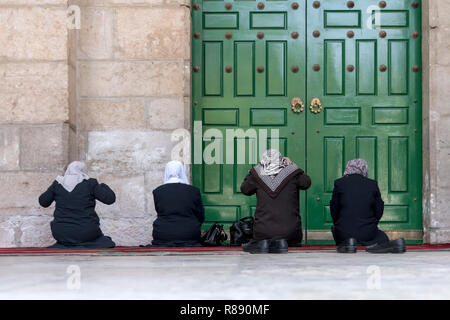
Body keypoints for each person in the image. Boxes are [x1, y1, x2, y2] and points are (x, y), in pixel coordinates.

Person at [240, 149, 311, 254]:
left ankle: (263, 243)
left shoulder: (257, 175)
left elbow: (245, 189)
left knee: (261, 239)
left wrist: (255, 170)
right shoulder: (293, 173)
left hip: (263, 234)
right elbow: (306, 183)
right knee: (291, 238)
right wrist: (291, 165)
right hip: (291, 234)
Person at [330, 158, 406, 254]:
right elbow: (379, 210)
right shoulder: (372, 184)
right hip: (367, 233)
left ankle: (349, 244)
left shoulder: (339, 183)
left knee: (338, 232)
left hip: (344, 232)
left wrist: (340, 224)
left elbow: (334, 210)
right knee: (383, 237)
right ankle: (374, 246)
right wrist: (371, 223)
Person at [39, 161, 116, 249]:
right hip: (86, 232)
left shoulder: (57, 184)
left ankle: (71, 243)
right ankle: (83, 243)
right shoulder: (90, 183)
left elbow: (43, 202)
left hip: (61, 233)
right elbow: (110, 199)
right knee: (106, 241)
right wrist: (102, 185)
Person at [149, 161, 204, 247]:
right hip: (189, 234)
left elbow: (160, 212)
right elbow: (200, 216)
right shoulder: (194, 191)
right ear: (181, 171)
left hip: (163, 234)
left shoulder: (157, 191)